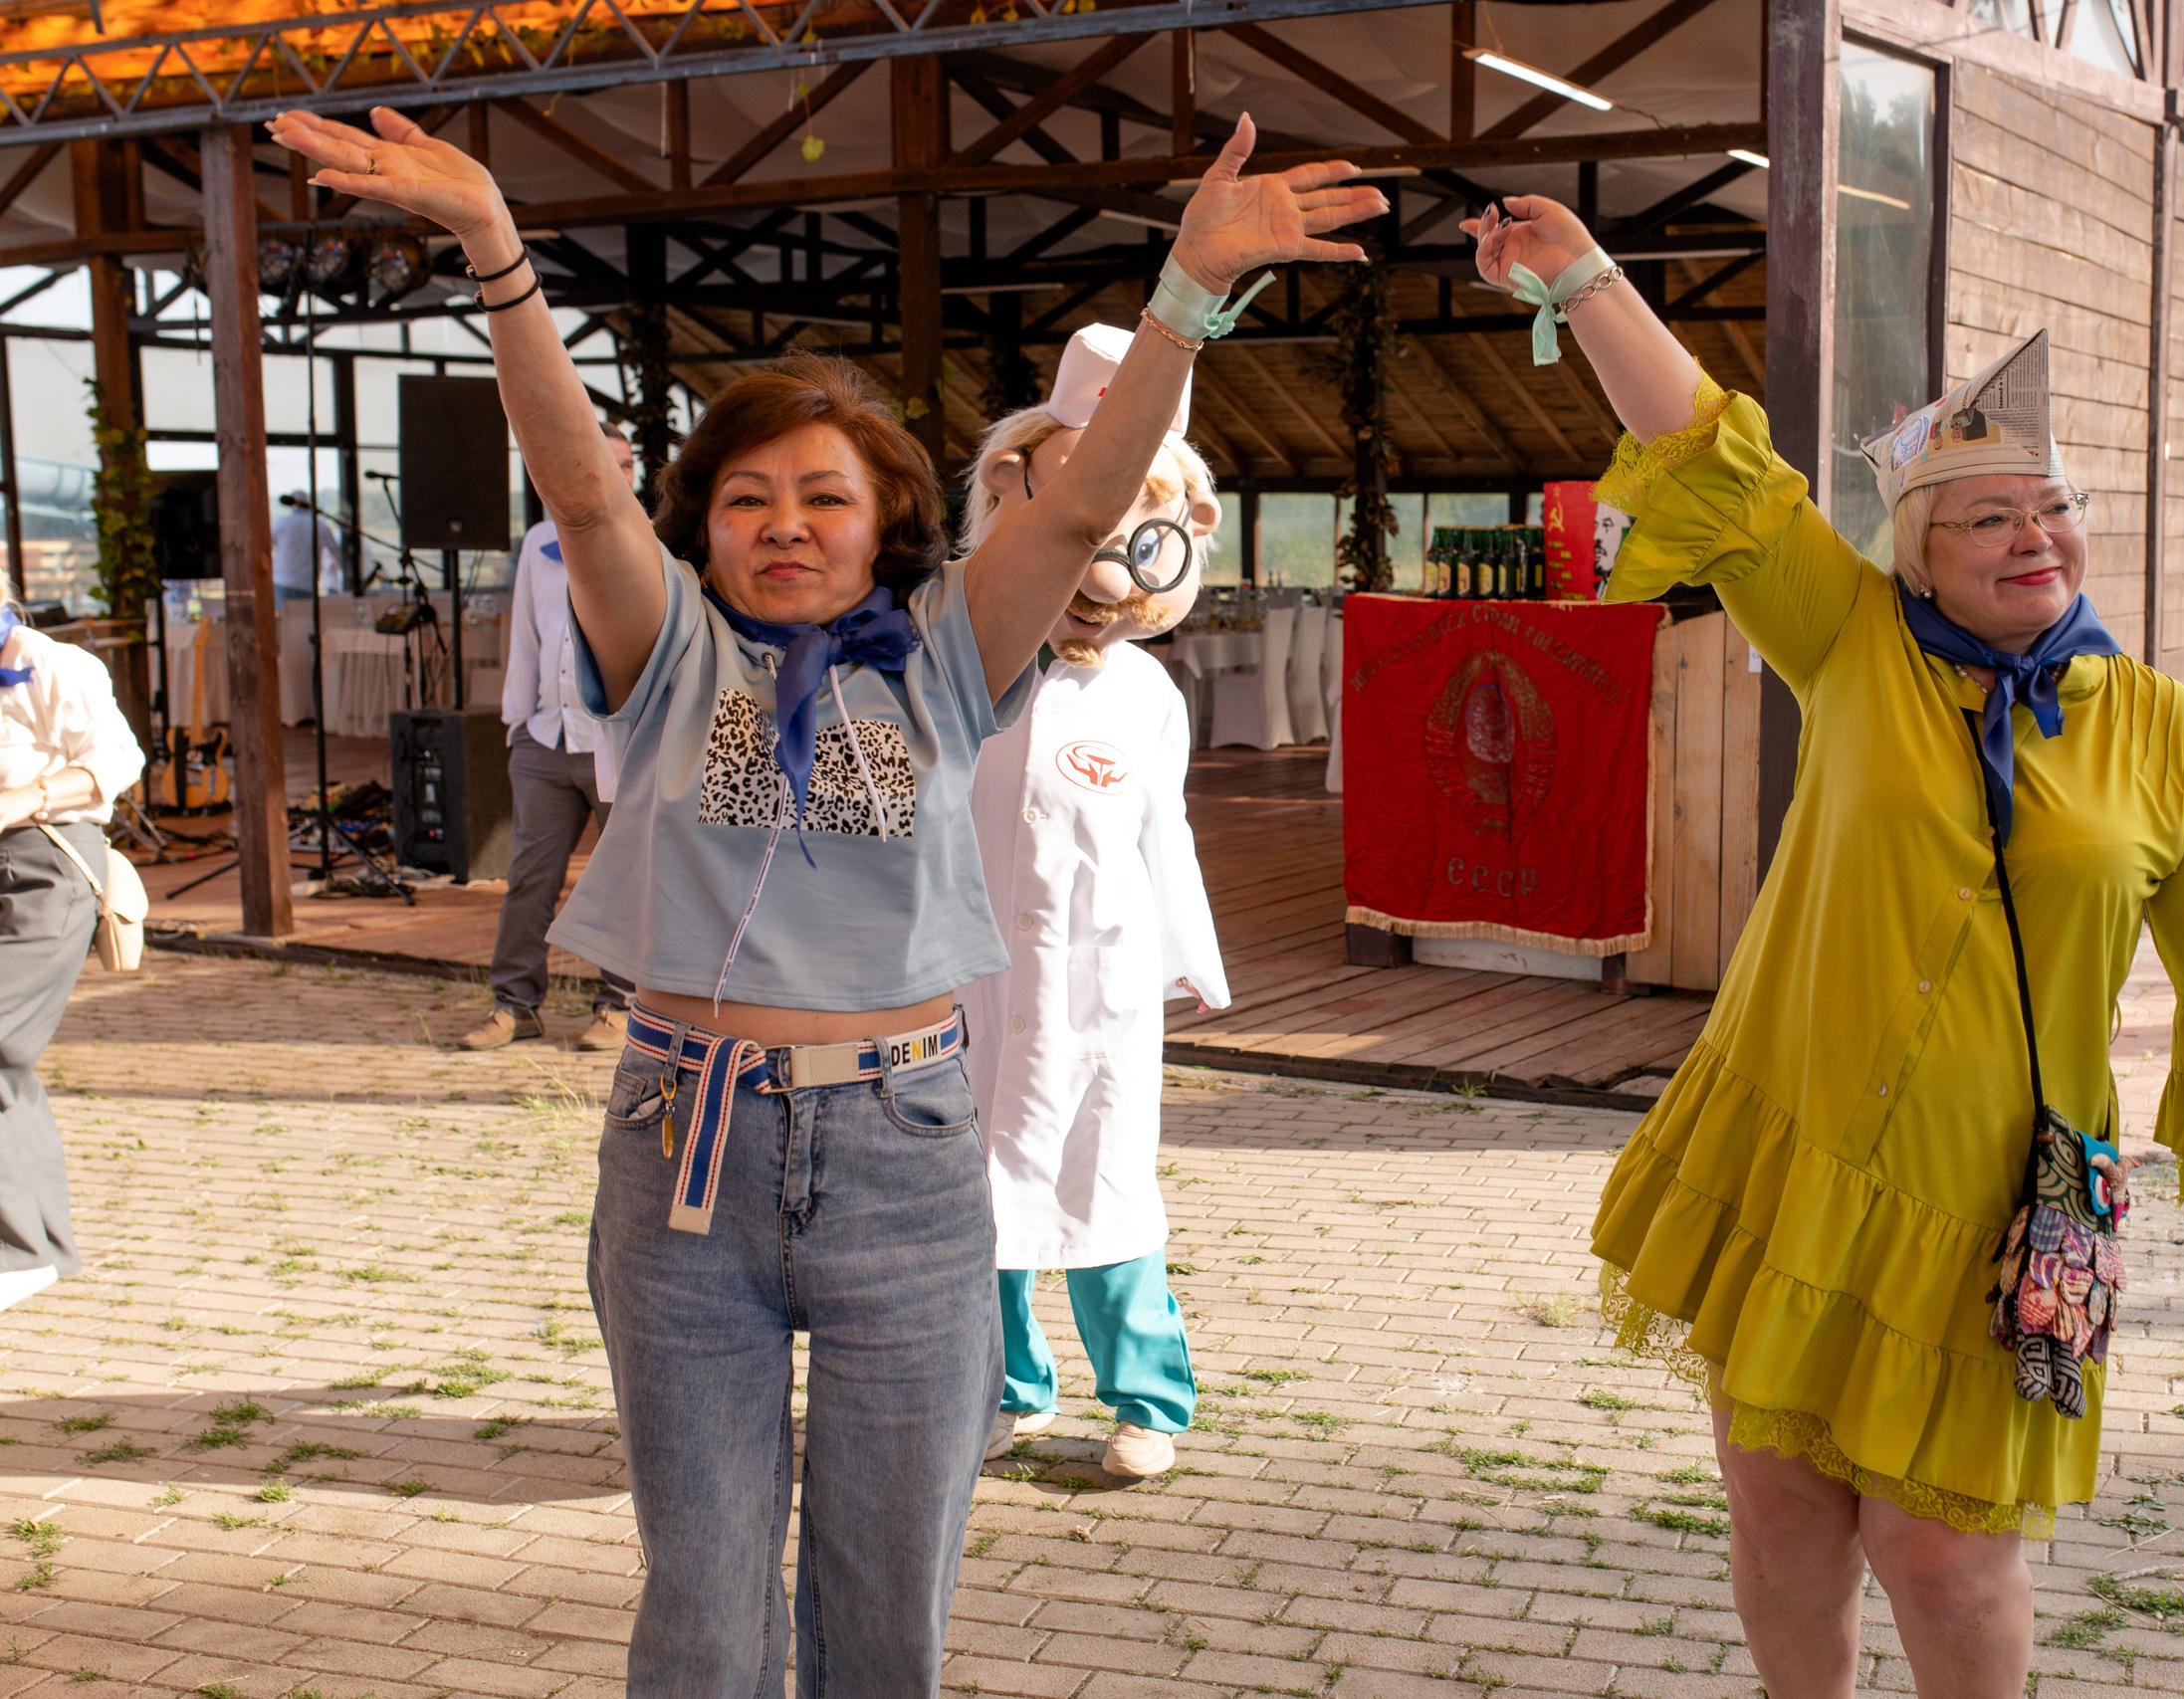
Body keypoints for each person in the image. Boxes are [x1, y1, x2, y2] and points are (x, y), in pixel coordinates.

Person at [270, 102, 1383, 1697]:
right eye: (746, 498)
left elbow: (1071, 512)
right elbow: (586, 497)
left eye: (826, 496)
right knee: (707, 1618)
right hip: (685, 1153)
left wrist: (1186, 299)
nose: (784, 522)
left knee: (883, 1622)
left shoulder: (952, 653)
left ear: (893, 527)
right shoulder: (665, 655)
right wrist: (500, 255)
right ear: (705, 526)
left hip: (908, 1159)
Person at [1464, 195, 2184, 1692]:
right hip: (1798, 1155)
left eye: (2053, 507)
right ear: (1916, 553)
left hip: (2013, 1204)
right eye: (1988, 514)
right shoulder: (1850, 636)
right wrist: (1587, 277)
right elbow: (1711, 458)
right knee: (1780, 1518)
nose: (2034, 534)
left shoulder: (2164, 732)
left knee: (1949, 1553)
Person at [958, 324, 1231, 1481]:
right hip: (973, 977)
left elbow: (1161, 827)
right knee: (981, 1195)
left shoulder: (1148, 696)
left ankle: (1149, 1398)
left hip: (1102, 987)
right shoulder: (964, 659)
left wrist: (1185, 961)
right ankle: (1005, 1387)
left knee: (1106, 1187)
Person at [465, 422, 640, 1053]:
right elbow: (527, 643)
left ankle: (619, 1007)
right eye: (605, 463)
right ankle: (515, 1004)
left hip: (617, 742)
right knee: (529, 877)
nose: (618, 476)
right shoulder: (539, 543)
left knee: (623, 878)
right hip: (543, 738)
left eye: (626, 465)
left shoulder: (650, 541)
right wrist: (517, 723)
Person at [0, 592, 144, 1312]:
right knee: (8, 1058)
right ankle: (36, 1247)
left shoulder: (53, 664)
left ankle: (24, 1250)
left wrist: (21, 797)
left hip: (48, 871)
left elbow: (119, 760)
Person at [272, 492, 340, 603]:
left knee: (284, 618)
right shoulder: (320, 524)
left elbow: (265, 545)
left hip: (283, 581)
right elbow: (337, 552)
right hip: (307, 584)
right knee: (305, 618)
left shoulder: (280, 522)